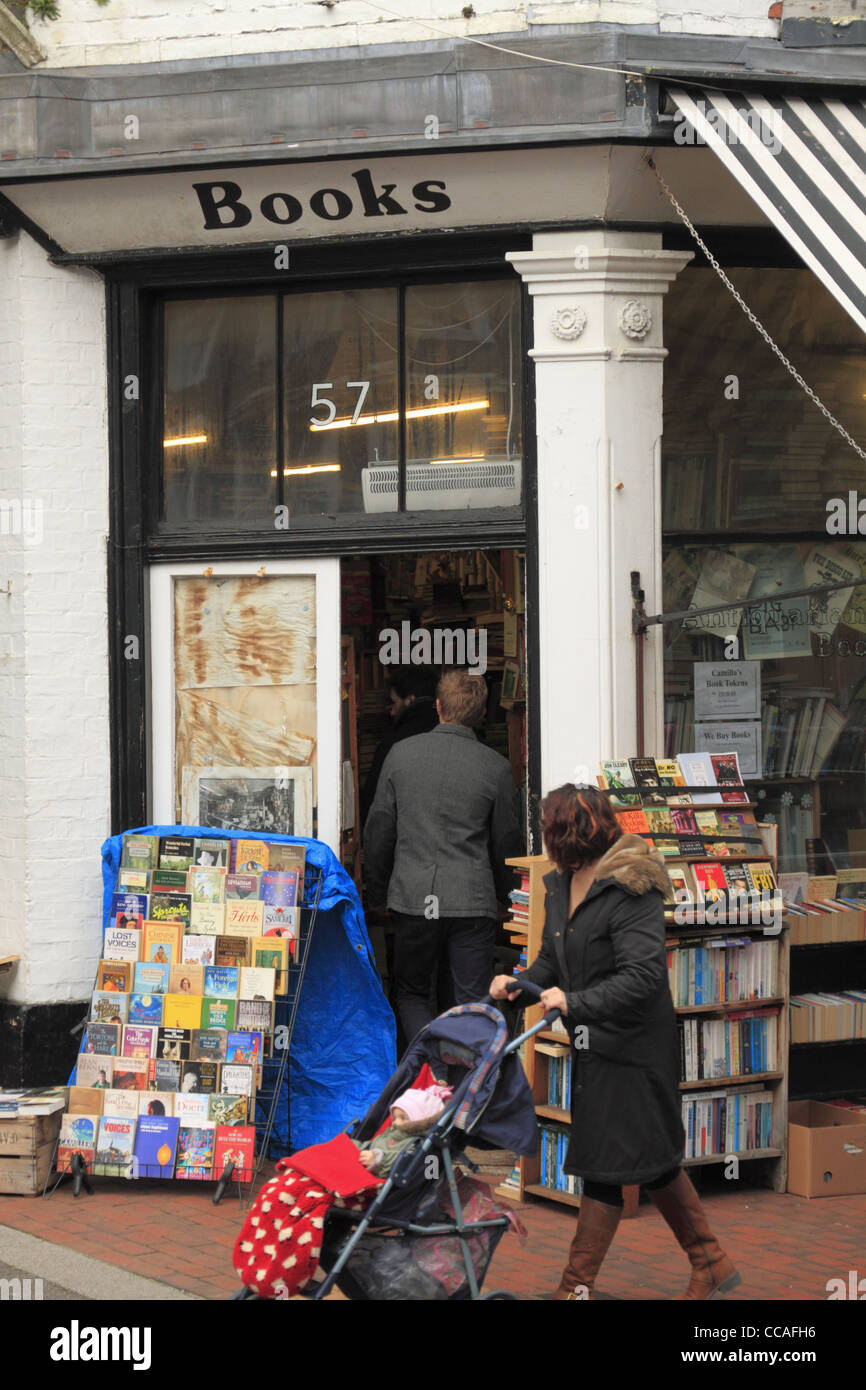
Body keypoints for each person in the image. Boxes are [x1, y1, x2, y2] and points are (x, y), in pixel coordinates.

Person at [489, 783, 740, 1303]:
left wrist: (574, 1003)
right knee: (650, 1159)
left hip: (635, 1048)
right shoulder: (558, 884)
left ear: (567, 832)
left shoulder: (632, 886)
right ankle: (711, 1262)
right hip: (596, 1046)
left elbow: (643, 977)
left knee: (610, 1165)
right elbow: (552, 961)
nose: (543, 836)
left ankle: (574, 1288)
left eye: (548, 828)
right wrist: (519, 985)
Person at [364, 668, 525, 1042]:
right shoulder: (496, 767)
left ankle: (428, 1072)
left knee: (413, 992)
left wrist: (378, 891)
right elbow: (506, 841)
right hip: (471, 901)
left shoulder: (400, 754)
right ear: (483, 714)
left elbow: (379, 831)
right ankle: (463, 1084)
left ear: (437, 707)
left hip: (413, 897)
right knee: (470, 1000)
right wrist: (509, 898)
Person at [360, 666, 440, 825]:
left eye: (394, 702)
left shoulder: (394, 743)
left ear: (410, 700)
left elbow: (374, 803)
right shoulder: (451, 736)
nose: (392, 712)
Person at [354, 1085, 452, 1175]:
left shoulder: (415, 1143)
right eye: (394, 1118)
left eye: (403, 1118)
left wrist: (377, 1160)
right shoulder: (391, 1134)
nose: (396, 1122)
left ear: (419, 1122)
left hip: (376, 1179)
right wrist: (354, 1147)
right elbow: (369, 1146)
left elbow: (401, 1163)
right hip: (361, 1168)